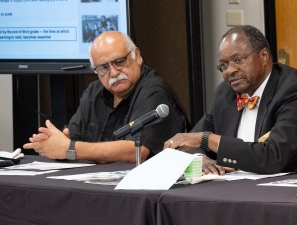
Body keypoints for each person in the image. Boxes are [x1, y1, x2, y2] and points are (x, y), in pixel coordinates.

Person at [164, 25, 297, 176]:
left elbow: (272, 158)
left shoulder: (295, 92)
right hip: (240, 189)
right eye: (223, 65)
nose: (229, 71)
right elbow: (191, 140)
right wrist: (200, 158)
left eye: (237, 60)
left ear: (264, 57)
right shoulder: (225, 93)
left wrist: (207, 139)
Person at [24, 31, 186, 163]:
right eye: (103, 67)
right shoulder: (93, 92)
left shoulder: (154, 91)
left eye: (119, 61)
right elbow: (71, 136)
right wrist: (54, 143)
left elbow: (137, 151)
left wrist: (70, 149)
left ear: (136, 55)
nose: (114, 73)